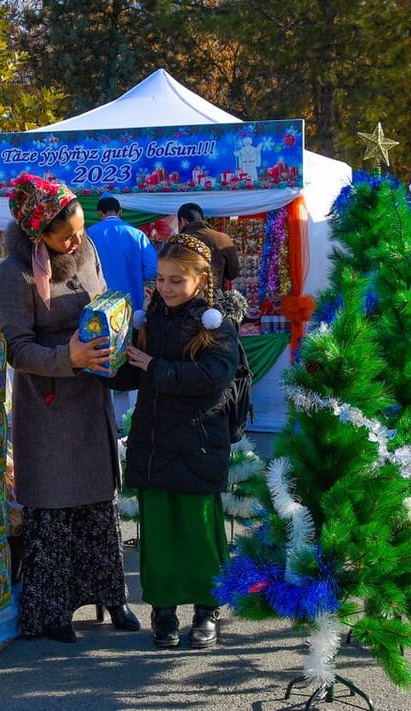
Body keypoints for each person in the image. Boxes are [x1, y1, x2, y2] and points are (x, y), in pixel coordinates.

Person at [0, 173, 139, 643]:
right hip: (49, 405)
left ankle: (111, 597)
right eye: (65, 235)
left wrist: (117, 333)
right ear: (38, 235)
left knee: (99, 501)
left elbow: (106, 300)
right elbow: (14, 347)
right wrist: (67, 358)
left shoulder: (88, 248)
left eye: (79, 227)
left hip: (93, 396)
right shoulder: (13, 273)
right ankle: (53, 610)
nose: (76, 239)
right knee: (55, 508)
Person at [114, 232, 240, 649]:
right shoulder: (149, 319)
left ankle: (207, 610)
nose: (166, 289)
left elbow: (213, 378)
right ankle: (163, 611)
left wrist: (154, 366)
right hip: (153, 443)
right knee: (160, 536)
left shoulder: (217, 324)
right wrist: (109, 359)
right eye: (161, 280)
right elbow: (133, 373)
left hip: (198, 443)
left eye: (176, 281)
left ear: (201, 281)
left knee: (200, 532)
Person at [86, 194, 158, 322]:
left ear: (99, 213)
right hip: (131, 303)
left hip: (99, 303)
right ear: (120, 212)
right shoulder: (137, 234)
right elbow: (153, 268)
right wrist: (135, 277)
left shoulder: (89, 234)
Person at [177, 202, 240, 294]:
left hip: (184, 299)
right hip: (215, 298)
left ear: (183, 221)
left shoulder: (176, 242)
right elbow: (232, 273)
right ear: (202, 219)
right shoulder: (222, 239)